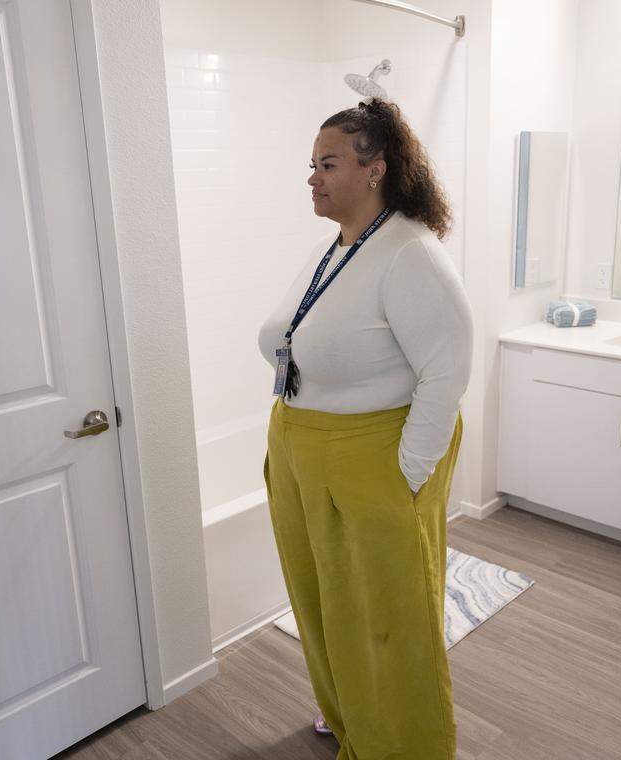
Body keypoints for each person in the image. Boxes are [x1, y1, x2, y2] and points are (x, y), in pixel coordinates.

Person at [257, 97, 473, 759]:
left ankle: (403, 745)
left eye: (328, 164)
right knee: (321, 601)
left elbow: (449, 367)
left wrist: (408, 474)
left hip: (368, 456)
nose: (313, 178)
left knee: (385, 618)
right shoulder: (338, 249)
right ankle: (350, 715)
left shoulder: (408, 251)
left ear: (376, 168)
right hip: (300, 449)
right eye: (311, 165)